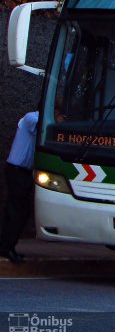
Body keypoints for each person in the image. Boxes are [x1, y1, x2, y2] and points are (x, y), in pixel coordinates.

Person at [0, 111, 39, 264]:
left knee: (16, 209)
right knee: (18, 210)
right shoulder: (31, 118)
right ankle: (7, 246)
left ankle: (7, 245)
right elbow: (46, 127)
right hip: (17, 169)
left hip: (23, 171)